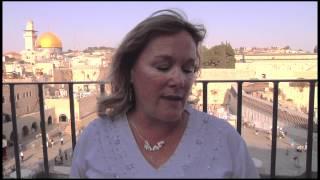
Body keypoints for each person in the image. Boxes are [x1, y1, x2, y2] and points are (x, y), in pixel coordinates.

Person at [70, 9, 259, 178]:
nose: (180, 81)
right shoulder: (95, 139)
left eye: (188, 69)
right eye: (163, 67)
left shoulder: (224, 140)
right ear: (130, 71)